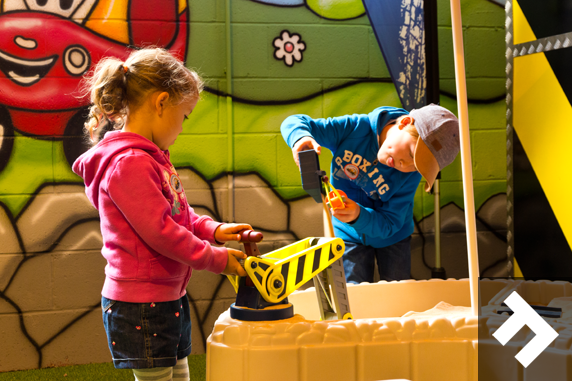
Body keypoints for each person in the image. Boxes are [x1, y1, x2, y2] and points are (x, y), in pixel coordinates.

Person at [73, 48, 249, 381]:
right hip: (142, 304)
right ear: (161, 102)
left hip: (166, 297)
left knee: (178, 375)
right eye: (184, 116)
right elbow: (162, 232)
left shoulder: (152, 158)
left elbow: (179, 216)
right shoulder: (131, 164)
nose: (182, 127)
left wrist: (214, 230)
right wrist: (218, 259)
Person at [281, 104, 459, 284]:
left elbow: (391, 222)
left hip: (393, 237)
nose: (405, 164)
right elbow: (295, 121)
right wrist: (300, 138)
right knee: (354, 297)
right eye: (411, 153)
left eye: (417, 166)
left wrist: (358, 215)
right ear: (404, 122)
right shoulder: (354, 128)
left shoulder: (409, 175)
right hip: (348, 234)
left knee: (397, 298)